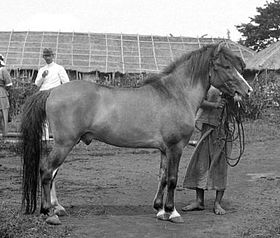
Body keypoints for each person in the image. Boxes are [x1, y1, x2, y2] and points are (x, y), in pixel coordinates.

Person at [182, 86, 233, 215]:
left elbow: (239, 104)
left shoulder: (232, 82)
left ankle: (217, 203)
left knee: (220, 166)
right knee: (200, 164)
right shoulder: (207, 83)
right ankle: (199, 201)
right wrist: (214, 105)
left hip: (223, 130)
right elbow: (198, 101)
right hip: (207, 127)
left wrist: (235, 99)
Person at [35, 48, 70, 140]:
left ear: (53, 56)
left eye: (49, 56)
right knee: (43, 117)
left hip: (55, 93)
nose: (47, 58)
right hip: (43, 93)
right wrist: (42, 76)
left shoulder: (59, 68)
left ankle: (59, 137)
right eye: (45, 56)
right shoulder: (42, 69)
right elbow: (37, 84)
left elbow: (66, 82)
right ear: (43, 57)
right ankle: (45, 137)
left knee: (57, 117)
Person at [0, 54, 12, 137]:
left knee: (2, 114)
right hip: (2, 93)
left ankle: (4, 136)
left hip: (1, 94)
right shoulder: (3, 70)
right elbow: (9, 85)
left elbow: (9, 84)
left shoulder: (2, 70)